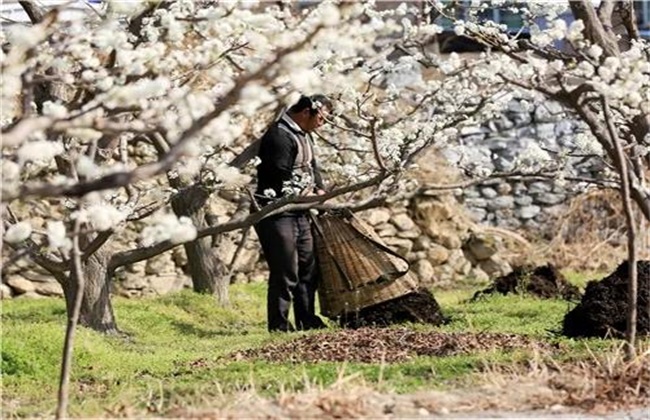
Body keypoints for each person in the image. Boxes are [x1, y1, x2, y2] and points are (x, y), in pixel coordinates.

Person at [253, 94, 333, 332]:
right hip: (277, 211)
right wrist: (305, 195)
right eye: (322, 118)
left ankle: (306, 319)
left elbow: (311, 166)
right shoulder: (279, 136)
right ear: (306, 112)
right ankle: (278, 325)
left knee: (308, 269)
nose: (323, 124)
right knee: (285, 270)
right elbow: (279, 175)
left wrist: (320, 189)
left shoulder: (304, 135)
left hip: (300, 210)